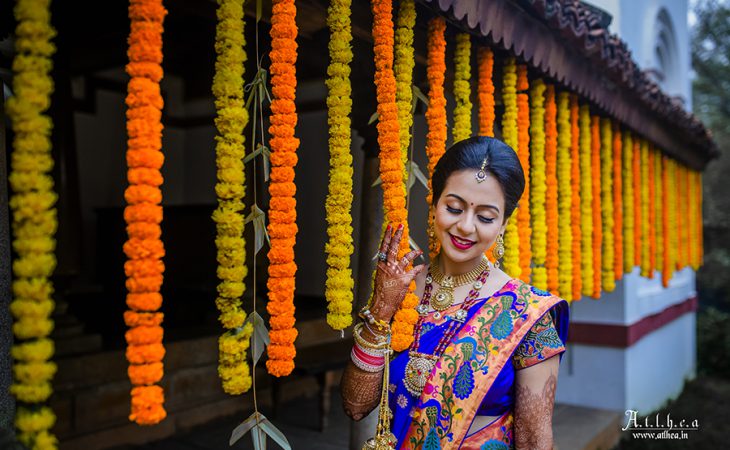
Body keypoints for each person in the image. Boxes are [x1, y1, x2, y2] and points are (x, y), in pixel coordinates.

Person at [341, 136, 570, 449]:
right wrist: (381, 310)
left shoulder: (527, 314)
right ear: (435, 205)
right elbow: (356, 406)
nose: (465, 226)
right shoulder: (401, 291)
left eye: (486, 217)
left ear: (503, 224)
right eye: (454, 207)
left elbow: (534, 440)